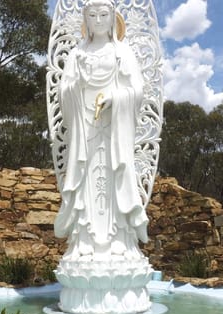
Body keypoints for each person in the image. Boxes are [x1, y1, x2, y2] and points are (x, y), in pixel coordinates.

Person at [54, 0, 150, 262]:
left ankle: (122, 244)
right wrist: (77, 86)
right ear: (85, 20)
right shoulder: (76, 54)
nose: (98, 20)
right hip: (84, 131)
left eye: (104, 14)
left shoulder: (122, 53)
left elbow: (137, 91)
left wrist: (116, 98)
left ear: (113, 19)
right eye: (92, 15)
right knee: (85, 183)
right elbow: (64, 92)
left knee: (117, 180)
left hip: (114, 133)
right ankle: (83, 244)